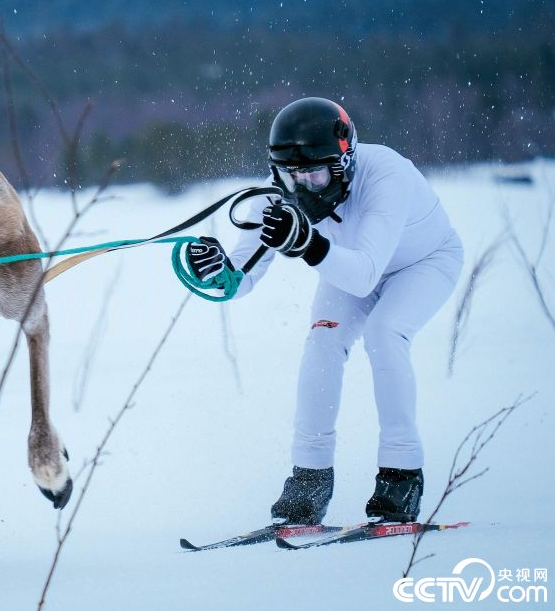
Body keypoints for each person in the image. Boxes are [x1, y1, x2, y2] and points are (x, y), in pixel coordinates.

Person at [187, 97, 463, 524]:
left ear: (344, 161)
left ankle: (401, 476)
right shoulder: (283, 188)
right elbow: (242, 276)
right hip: (347, 265)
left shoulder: (386, 174)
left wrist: (307, 244)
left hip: (422, 264)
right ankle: (309, 481)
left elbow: (365, 275)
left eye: (315, 173)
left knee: (385, 334)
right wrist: (218, 273)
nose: (303, 187)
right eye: (290, 175)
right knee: (322, 341)